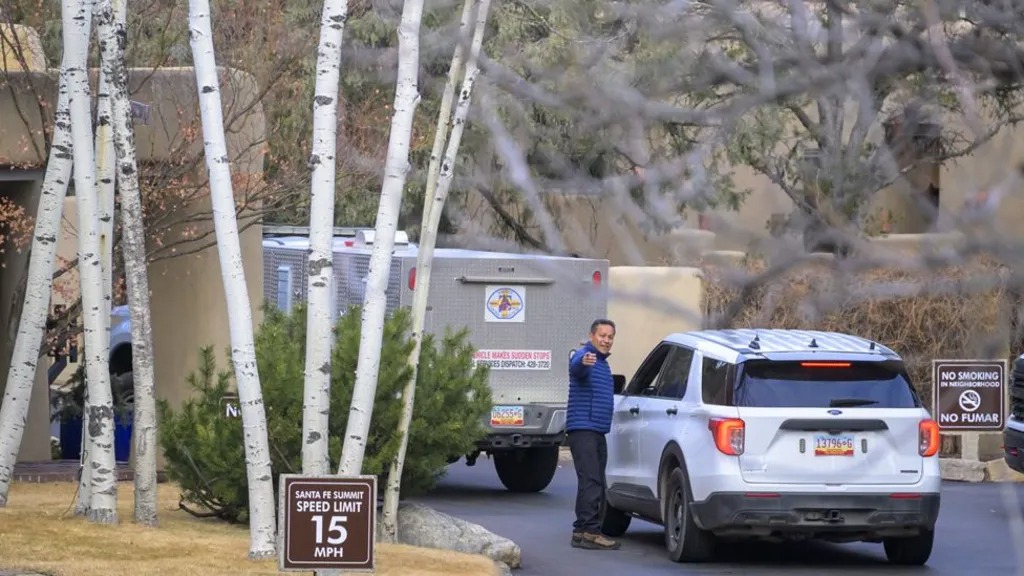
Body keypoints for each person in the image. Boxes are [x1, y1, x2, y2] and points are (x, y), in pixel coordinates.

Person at [566, 318, 620, 550]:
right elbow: (576, 365)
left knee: (589, 480)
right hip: (584, 429)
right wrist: (584, 359)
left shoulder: (602, 363)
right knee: (592, 480)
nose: (606, 340)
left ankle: (580, 531)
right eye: (602, 336)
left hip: (595, 430)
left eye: (610, 337)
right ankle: (590, 532)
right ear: (591, 336)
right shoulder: (586, 357)